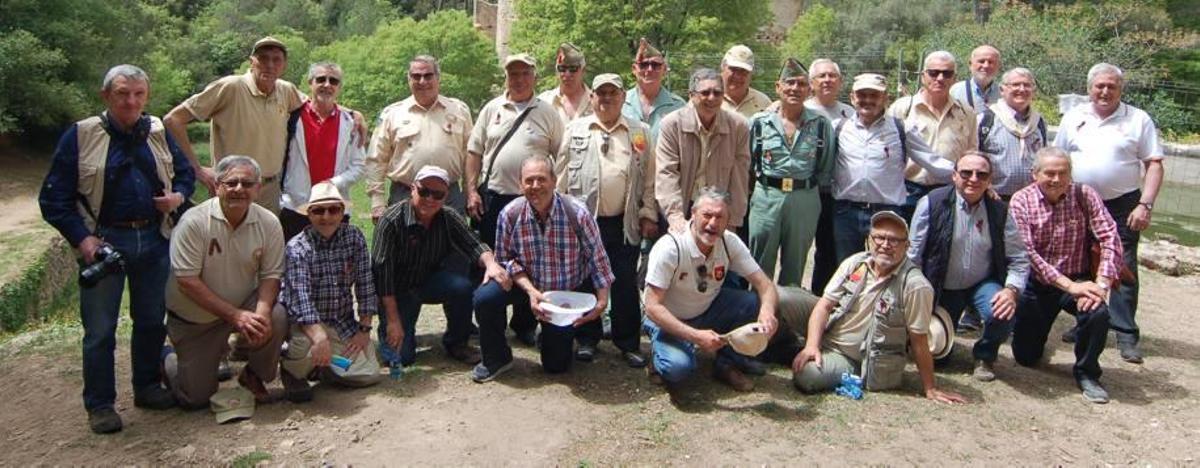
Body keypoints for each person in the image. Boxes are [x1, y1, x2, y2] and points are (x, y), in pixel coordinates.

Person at [38, 64, 194, 434]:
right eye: (123, 93)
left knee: (152, 321)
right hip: (104, 241)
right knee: (100, 329)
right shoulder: (81, 135)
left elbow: (186, 173)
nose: (131, 101)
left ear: (147, 95)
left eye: (139, 93)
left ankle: (147, 386)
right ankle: (101, 405)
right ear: (105, 95)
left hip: (155, 237)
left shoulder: (156, 131)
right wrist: (83, 239)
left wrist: (179, 196)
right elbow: (53, 199)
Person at [1053, 62, 1165, 364]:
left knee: (1123, 267)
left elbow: (1154, 163)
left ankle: (1126, 334)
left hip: (1122, 204)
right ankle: (1085, 323)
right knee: (1080, 264)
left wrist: (1146, 204)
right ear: (1089, 88)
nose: (1104, 91)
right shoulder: (1074, 117)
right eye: (1099, 86)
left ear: (1120, 89)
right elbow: (1058, 157)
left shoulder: (1138, 119)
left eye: (1111, 86)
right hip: (1078, 201)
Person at [791, 210, 965, 403]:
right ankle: (801, 349)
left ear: (907, 246)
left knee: (807, 376)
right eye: (879, 237)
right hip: (829, 330)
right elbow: (824, 306)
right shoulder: (856, 262)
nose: (885, 245)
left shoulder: (916, 286)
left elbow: (919, 339)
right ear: (869, 240)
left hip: (855, 359)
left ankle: (797, 352)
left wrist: (930, 388)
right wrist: (812, 345)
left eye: (894, 240)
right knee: (781, 298)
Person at [471, 157, 614, 382]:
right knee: (485, 297)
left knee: (556, 366)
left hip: (563, 294)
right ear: (520, 185)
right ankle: (496, 358)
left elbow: (598, 259)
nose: (535, 186)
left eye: (541, 179)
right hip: (527, 284)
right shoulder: (510, 214)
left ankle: (553, 337)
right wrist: (530, 291)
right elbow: (505, 260)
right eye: (529, 181)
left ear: (555, 181)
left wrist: (602, 302)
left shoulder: (577, 213)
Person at [163, 155, 288, 409]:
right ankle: (167, 359)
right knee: (195, 400)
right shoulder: (194, 222)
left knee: (276, 315)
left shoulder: (269, 222)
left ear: (258, 188)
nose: (239, 189)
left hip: (240, 305)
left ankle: (253, 375)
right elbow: (187, 281)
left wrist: (261, 316)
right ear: (217, 186)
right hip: (195, 318)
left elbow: (271, 275)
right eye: (231, 183)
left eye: (246, 183)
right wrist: (236, 316)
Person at [555, 73, 658, 367]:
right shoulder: (576, 129)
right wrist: (559, 214)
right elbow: (561, 174)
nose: (607, 98)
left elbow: (649, 178)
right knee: (586, 280)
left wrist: (648, 212)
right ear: (592, 97)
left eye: (613, 93)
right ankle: (588, 339)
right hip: (584, 222)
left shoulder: (640, 131)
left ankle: (627, 342)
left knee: (623, 282)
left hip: (623, 222)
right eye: (601, 93)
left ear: (623, 97)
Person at [1009, 147, 1123, 403]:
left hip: (1079, 277)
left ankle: (1087, 373)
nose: (1056, 179)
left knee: (1098, 312)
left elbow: (1110, 238)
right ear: (1034, 174)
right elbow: (1027, 254)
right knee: (1025, 358)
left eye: (1063, 173)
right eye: (1049, 173)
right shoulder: (1020, 201)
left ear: (1070, 174)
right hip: (1038, 284)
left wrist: (1100, 285)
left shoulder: (1085, 194)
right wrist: (1069, 286)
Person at [465, 53, 564, 345]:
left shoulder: (547, 112)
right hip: (493, 199)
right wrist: (471, 190)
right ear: (506, 77)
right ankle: (488, 321)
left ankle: (524, 324)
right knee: (488, 262)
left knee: (530, 262)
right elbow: (474, 152)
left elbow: (561, 156)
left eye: (524, 73)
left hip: (533, 201)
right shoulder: (492, 108)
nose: (518, 79)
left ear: (534, 76)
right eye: (513, 74)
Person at [908, 152, 1030, 381]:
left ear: (989, 180)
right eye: (966, 173)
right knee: (939, 358)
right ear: (954, 176)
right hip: (942, 286)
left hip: (982, 283)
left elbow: (1019, 258)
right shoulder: (931, 202)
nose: (974, 179)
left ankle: (985, 355)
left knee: (1002, 312)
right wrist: (917, 294)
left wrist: (1011, 290)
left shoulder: (1000, 211)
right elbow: (913, 255)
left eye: (981, 174)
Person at [642, 187, 779, 392]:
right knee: (677, 369)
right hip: (668, 318)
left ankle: (727, 365)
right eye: (707, 215)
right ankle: (657, 357)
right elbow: (652, 307)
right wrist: (696, 336)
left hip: (706, 309)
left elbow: (765, 284)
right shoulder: (670, 248)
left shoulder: (729, 242)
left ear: (727, 221)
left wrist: (767, 313)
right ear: (693, 214)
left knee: (754, 303)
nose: (713, 224)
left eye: (719, 217)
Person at [372, 166, 510, 368]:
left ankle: (457, 343)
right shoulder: (390, 221)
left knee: (461, 287)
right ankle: (389, 329)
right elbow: (381, 277)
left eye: (438, 194)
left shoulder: (448, 216)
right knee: (401, 359)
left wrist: (491, 264)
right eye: (424, 191)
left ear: (446, 197)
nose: (430, 199)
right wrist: (393, 321)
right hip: (396, 290)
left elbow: (473, 243)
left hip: (428, 281)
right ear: (412, 189)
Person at [162, 37, 303, 211]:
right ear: (252, 62)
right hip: (232, 188)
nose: (270, 65)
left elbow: (315, 106)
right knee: (225, 237)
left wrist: (346, 114)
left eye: (276, 60)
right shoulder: (231, 87)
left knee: (266, 237)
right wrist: (196, 169)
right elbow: (173, 120)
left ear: (284, 66)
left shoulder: (286, 90)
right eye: (263, 58)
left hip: (269, 190)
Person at [832, 73, 953, 263]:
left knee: (887, 267)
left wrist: (967, 176)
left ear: (885, 98)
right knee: (849, 269)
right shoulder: (838, 127)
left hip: (888, 212)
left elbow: (932, 161)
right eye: (862, 95)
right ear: (852, 97)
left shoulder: (901, 129)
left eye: (874, 95)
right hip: (847, 213)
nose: (868, 100)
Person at [279, 182, 382, 402]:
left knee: (369, 374)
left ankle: (324, 368)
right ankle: (293, 372)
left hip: (340, 322)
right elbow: (301, 300)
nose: (326, 217)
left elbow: (365, 284)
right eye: (318, 211)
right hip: (305, 325)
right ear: (308, 214)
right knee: (304, 347)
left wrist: (364, 329)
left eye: (333, 210)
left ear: (342, 212)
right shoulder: (297, 247)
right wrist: (319, 337)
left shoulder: (354, 238)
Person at [747, 58, 834, 287]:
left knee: (795, 266)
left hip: (804, 198)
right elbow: (747, 163)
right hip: (766, 196)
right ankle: (759, 314)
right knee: (759, 264)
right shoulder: (758, 123)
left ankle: (789, 318)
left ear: (809, 89)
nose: (795, 89)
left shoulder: (821, 125)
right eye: (789, 83)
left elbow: (825, 168)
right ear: (778, 87)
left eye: (801, 84)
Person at [366, 55, 473, 219]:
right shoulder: (393, 114)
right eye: (416, 76)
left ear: (438, 78)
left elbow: (470, 155)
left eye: (428, 75)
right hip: (404, 194)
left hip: (448, 195)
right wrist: (377, 202)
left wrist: (470, 192)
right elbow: (376, 159)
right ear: (409, 79)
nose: (422, 81)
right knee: (404, 244)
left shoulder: (459, 111)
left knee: (452, 244)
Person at [655, 68, 751, 234]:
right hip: (683, 205)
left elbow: (739, 178)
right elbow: (666, 174)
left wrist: (733, 220)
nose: (712, 98)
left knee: (717, 259)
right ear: (691, 95)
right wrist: (675, 216)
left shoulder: (738, 126)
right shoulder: (672, 125)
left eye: (717, 93)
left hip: (718, 210)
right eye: (705, 93)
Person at [279, 62, 365, 240]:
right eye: (321, 79)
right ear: (310, 82)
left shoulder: (351, 123)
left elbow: (359, 166)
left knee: (334, 265)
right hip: (295, 206)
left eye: (333, 81)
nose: (327, 84)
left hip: (334, 208)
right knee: (294, 262)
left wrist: (334, 183)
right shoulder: (291, 117)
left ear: (339, 87)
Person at [888, 51, 978, 219]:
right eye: (934, 72)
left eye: (947, 73)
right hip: (909, 190)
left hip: (949, 191)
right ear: (923, 76)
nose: (940, 78)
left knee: (944, 243)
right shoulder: (902, 109)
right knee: (906, 242)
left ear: (955, 78)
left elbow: (972, 153)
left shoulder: (966, 113)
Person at [805, 58, 855, 295]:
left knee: (827, 251)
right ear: (811, 83)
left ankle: (820, 301)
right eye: (821, 76)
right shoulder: (800, 110)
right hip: (804, 191)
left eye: (832, 76)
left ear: (840, 82)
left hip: (835, 195)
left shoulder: (850, 113)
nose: (827, 80)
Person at [977, 67, 1048, 199]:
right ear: (1002, 90)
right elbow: (973, 157)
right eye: (1015, 84)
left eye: (1027, 85)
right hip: (995, 198)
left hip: (1031, 200)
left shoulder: (1039, 122)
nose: (1021, 89)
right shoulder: (986, 120)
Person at [622, 38, 686, 140]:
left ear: (664, 69)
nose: (650, 69)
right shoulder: (620, 103)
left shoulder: (679, 107)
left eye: (656, 65)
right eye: (643, 65)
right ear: (634, 69)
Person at [537, 43, 593, 125]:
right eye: (562, 68)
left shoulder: (597, 102)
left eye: (573, 68)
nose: (567, 74)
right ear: (556, 71)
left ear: (583, 70)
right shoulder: (543, 102)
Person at [719, 45, 772, 119]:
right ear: (723, 67)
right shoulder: (708, 98)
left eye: (743, 71)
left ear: (751, 74)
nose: (737, 76)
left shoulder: (763, 103)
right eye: (734, 69)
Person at [949, 45, 1003, 113]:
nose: (986, 66)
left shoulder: (1004, 93)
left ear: (998, 66)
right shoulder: (956, 91)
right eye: (981, 61)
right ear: (970, 64)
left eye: (991, 62)